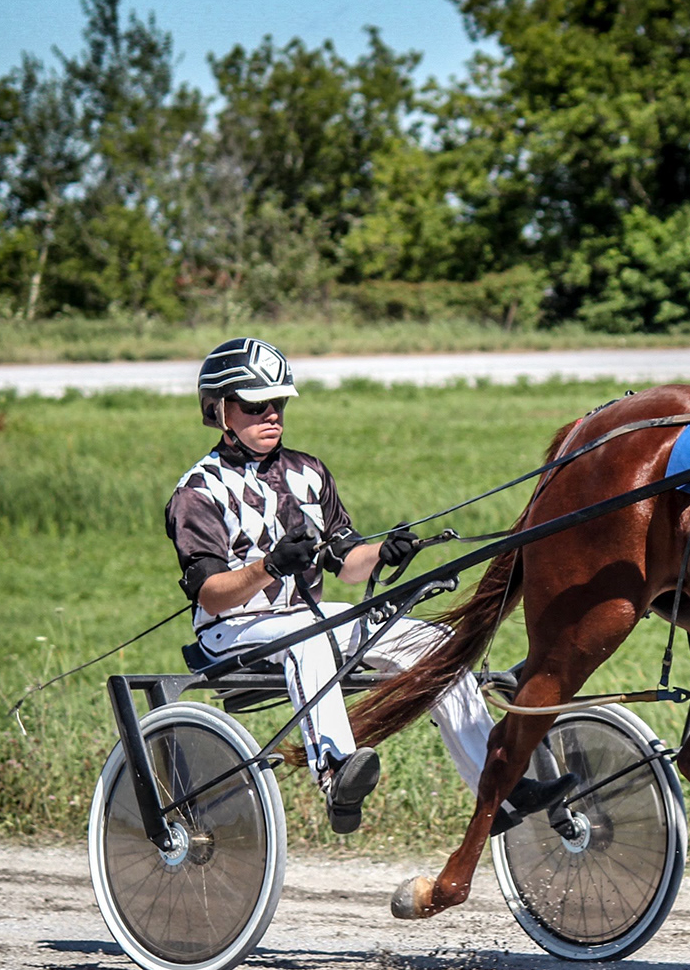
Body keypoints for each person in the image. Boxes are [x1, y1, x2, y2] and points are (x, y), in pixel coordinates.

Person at [164, 337, 568, 834]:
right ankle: (337, 772)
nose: (272, 415)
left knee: (434, 642)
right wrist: (269, 567)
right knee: (305, 639)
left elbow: (346, 562)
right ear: (220, 411)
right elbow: (210, 594)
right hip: (234, 631)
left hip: (309, 619)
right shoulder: (197, 492)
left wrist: (385, 550)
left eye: (279, 403)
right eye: (255, 405)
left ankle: (498, 788)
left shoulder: (308, 473)